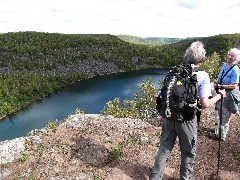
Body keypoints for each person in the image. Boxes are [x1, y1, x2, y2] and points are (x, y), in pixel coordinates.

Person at [149, 41, 226, 180]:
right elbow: (205, 103)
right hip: (186, 120)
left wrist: (163, 113)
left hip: (168, 116)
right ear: (202, 59)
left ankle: (155, 177)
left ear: (187, 56)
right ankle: (186, 178)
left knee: (164, 150)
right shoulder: (202, 75)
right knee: (188, 152)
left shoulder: (175, 71)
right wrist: (219, 96)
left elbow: (163, 94)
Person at [214, 48, 240, 140]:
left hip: (228, 96)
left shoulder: (235, 69)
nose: (229, 57)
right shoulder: (224, 65)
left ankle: (221, 136)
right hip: (220, 94)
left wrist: (221, 86)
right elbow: (219, 77)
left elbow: (234, 85)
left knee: (225, 117)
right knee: (220, 113)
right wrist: (216, 83)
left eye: (232, 55)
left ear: (235, 58)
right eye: (229, 54)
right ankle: (219, 132)